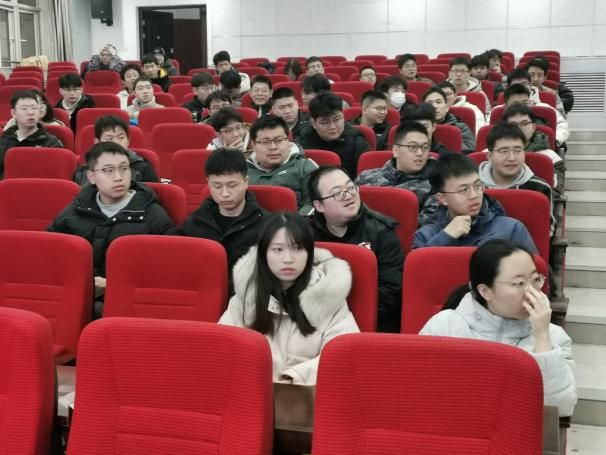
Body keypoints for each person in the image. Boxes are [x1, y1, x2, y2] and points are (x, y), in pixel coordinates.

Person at [420, 239, 577, 417]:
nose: (533, 292)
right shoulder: (444, 327)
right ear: (485, 291)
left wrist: (542, 338)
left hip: (516, 430)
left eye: (535, 280)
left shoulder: (552, 336)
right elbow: (420, 394)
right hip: (451, 426)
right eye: (519, 283)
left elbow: (560, 408)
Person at [219, 212, 360, 385]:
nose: (288, 259)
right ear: (263, 254)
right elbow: (222, 349)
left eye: (297, 248)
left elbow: (344, 356)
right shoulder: (246, 296)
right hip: (250, 391)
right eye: (278, 249)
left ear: (309, 253)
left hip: (308, 394)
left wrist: (291, 378)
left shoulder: (330, 297)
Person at [48, 141, 174, 314]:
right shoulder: (75, 210)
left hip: (131, 303)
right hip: (76, 297)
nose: (118, 177)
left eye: (124, 168)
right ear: (91, 177)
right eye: (108, 170)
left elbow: (165, 270)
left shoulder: (153, 215)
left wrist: (111, 285)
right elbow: (52, 255)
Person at [308, 166, 404, 332]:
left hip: (370, 323)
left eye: (350, 187)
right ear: (319, 205)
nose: (348, 195)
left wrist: (344, 315)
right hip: (315, 323)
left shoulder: (382, 232)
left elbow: (391, 291)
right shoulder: (304, 235)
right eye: (338, 193)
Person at [412, 153, 537, 251]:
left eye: (477, 186)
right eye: (463, 190)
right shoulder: (425, 236)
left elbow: (532, 273)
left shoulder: (511, 229)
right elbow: (418, 272)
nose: (474, 195)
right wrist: (446, 237)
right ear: (442, 198)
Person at [178, 148, 270, 279]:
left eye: (232, 185)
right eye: (217, 186)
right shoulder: (194, 222)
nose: (225, 193)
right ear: (208, 183)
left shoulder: (267, 225)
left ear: (246, 182)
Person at [479, 122, 555, 235]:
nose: (512, 158)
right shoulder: (473, 187)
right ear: (489, 156)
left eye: (518, 150)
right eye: (504, 151)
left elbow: (546, 232)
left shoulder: (540, 188)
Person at [356, 121, 439, 223]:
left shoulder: (435, 184)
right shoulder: (366, 177)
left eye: (425, 147)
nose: (420, 153)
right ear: (396, 150)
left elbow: (427, 223)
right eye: (413, 147)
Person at [247, 116, 318, 214]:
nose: (273, 147)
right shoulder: (242, 171)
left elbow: (314, 204)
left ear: (288, 141)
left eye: (279, 140)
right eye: (265, 142)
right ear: (253, 144)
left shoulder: (305, 167)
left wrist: (294, 222)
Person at [295, 92, 370, 177]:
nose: (332, 127)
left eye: (337, 119)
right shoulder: (301, 144)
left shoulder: (357, 143)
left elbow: (365, 178)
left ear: (343, 117)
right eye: (325, 122)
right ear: (314, 123)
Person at [72, 115, 159, 184]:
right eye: (109, 139)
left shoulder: (142, 168)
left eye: (121, 137)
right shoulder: (83, 171)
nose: (116, 143)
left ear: (128, 140)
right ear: (97, 142)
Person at [501, 102, 564, 194]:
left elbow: (555, 193)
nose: (519, 128)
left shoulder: (551, 157)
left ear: (533, 127)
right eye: (513, 124)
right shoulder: (492, 154)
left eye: (524, 123)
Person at [0, 90, 63, 178]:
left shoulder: (51, 143)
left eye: (34, 108)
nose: (30, 112)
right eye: (24, 108)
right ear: (13, 113)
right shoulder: (5, 140)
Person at [502, 80, 570, 147]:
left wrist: (555, 140)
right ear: (505, 106)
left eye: (525, 103)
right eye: (515, 104)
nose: (520, 107)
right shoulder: (499, 121)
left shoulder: (545, 110)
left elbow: (562, 125)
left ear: (531, 103)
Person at [422, 86, 475, 153]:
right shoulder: (417, 126)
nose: (434, 106)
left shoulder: (460, 127)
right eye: (429, 103)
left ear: (447, 107)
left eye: (438, 102)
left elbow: (470, 147)